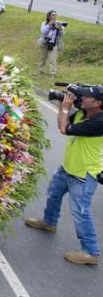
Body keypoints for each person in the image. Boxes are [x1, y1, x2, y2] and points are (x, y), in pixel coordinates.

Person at [25, 85, 103, 266]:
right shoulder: (83, 113)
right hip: (68, 167)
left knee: (80, 212)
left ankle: (91, 252)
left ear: (98, 103)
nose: (81, 99)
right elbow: (63, 122)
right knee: (53, 194)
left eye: (86, 97)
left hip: (84, 174)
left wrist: (66, 108)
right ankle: (49, 222)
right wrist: (63, 105)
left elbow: (64, 129)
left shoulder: (99, 122)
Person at [37, 10, 65, 77]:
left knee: (52, 60)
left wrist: (60, 28)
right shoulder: (44, 23)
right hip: (45, 42)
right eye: (52, 15)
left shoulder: (58, 23)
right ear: (49, 16)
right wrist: (49, 24)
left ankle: (52, 73)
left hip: (54, 43)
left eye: (55, 15)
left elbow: (62, 34)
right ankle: (40, 71)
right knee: (43, 58)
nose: (54, 16)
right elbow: (43, 32)